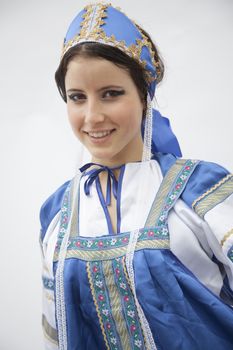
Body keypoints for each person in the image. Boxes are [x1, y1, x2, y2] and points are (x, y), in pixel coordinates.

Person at [39, 3, 233, 350]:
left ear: (144, 96)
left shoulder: (201, 192)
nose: (92, 116)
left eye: (111, 94)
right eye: (77, 97)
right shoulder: (56, 213)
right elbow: (56, 335)